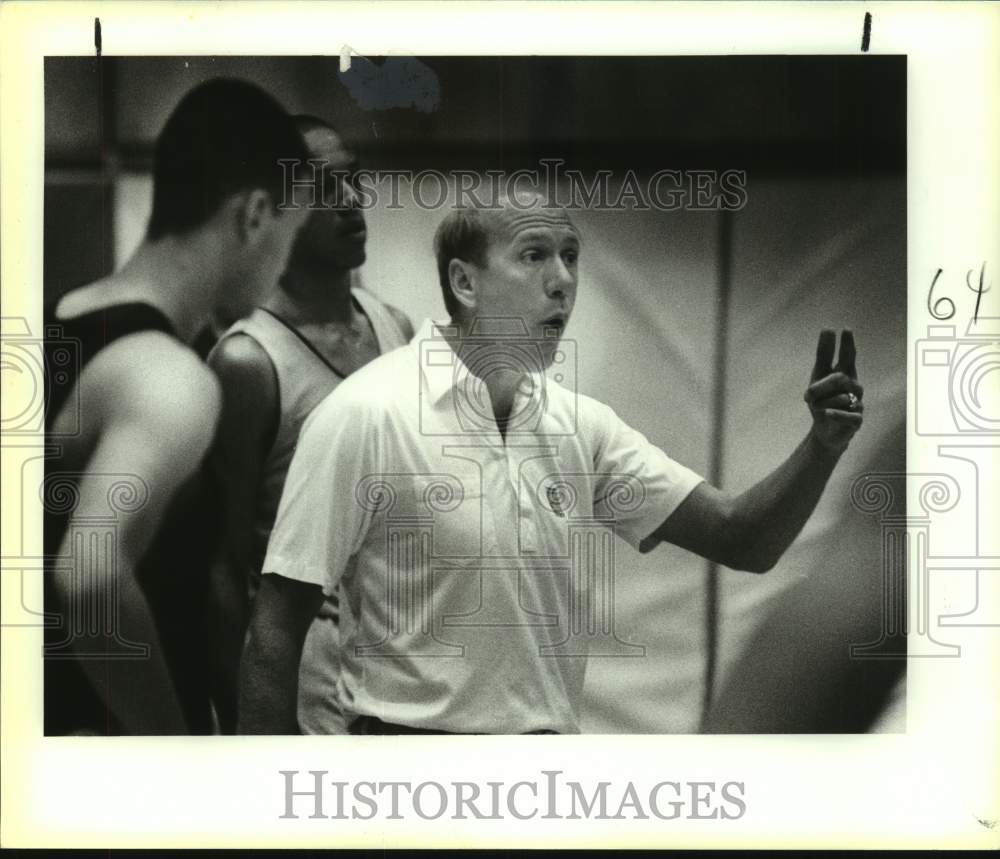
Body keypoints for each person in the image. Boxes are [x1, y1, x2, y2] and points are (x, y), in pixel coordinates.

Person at [239, 191, 865, 735]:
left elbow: (744, 538)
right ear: (465, 282)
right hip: (405, 781)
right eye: (534, 255)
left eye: (571, 255)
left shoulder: (579, 425)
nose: (563, 278)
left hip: (546, 785)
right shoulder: (363, 414)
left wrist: (822, 447)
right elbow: (274, 634)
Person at [42, 78, 310, 735]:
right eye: (289, 235)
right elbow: (89, 575)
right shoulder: (170, 377)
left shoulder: (56, 324)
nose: (280, 268)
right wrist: (171, 749)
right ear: (252, 216)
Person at [206, 115, 413, 734]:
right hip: (307, 671)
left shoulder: (394, 325)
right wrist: (242, 721)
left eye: (354, 182)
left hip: (401, 661)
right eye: (326, 189)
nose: (352, 205)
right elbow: (222, 564)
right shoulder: (248, 362)